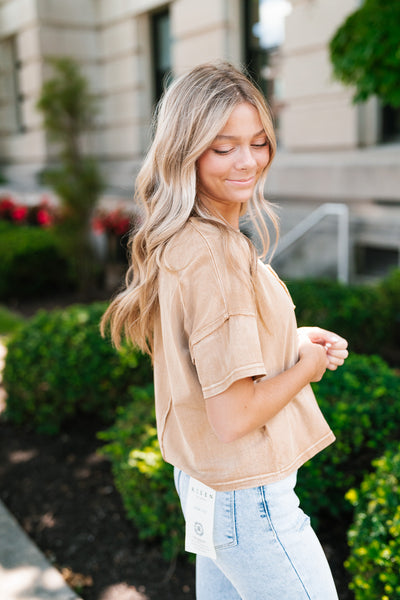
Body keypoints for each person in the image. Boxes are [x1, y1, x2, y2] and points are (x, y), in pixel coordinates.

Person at [101, 61, 349, 599]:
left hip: (209, 487)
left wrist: (289, 339)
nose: (248, 161)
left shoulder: (184, 239)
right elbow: (233, 415)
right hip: (248, 497)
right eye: (223, 146)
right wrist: (307, 367)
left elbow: (203, 360)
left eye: (259, 141)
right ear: (186, 150)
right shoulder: (218, 256)